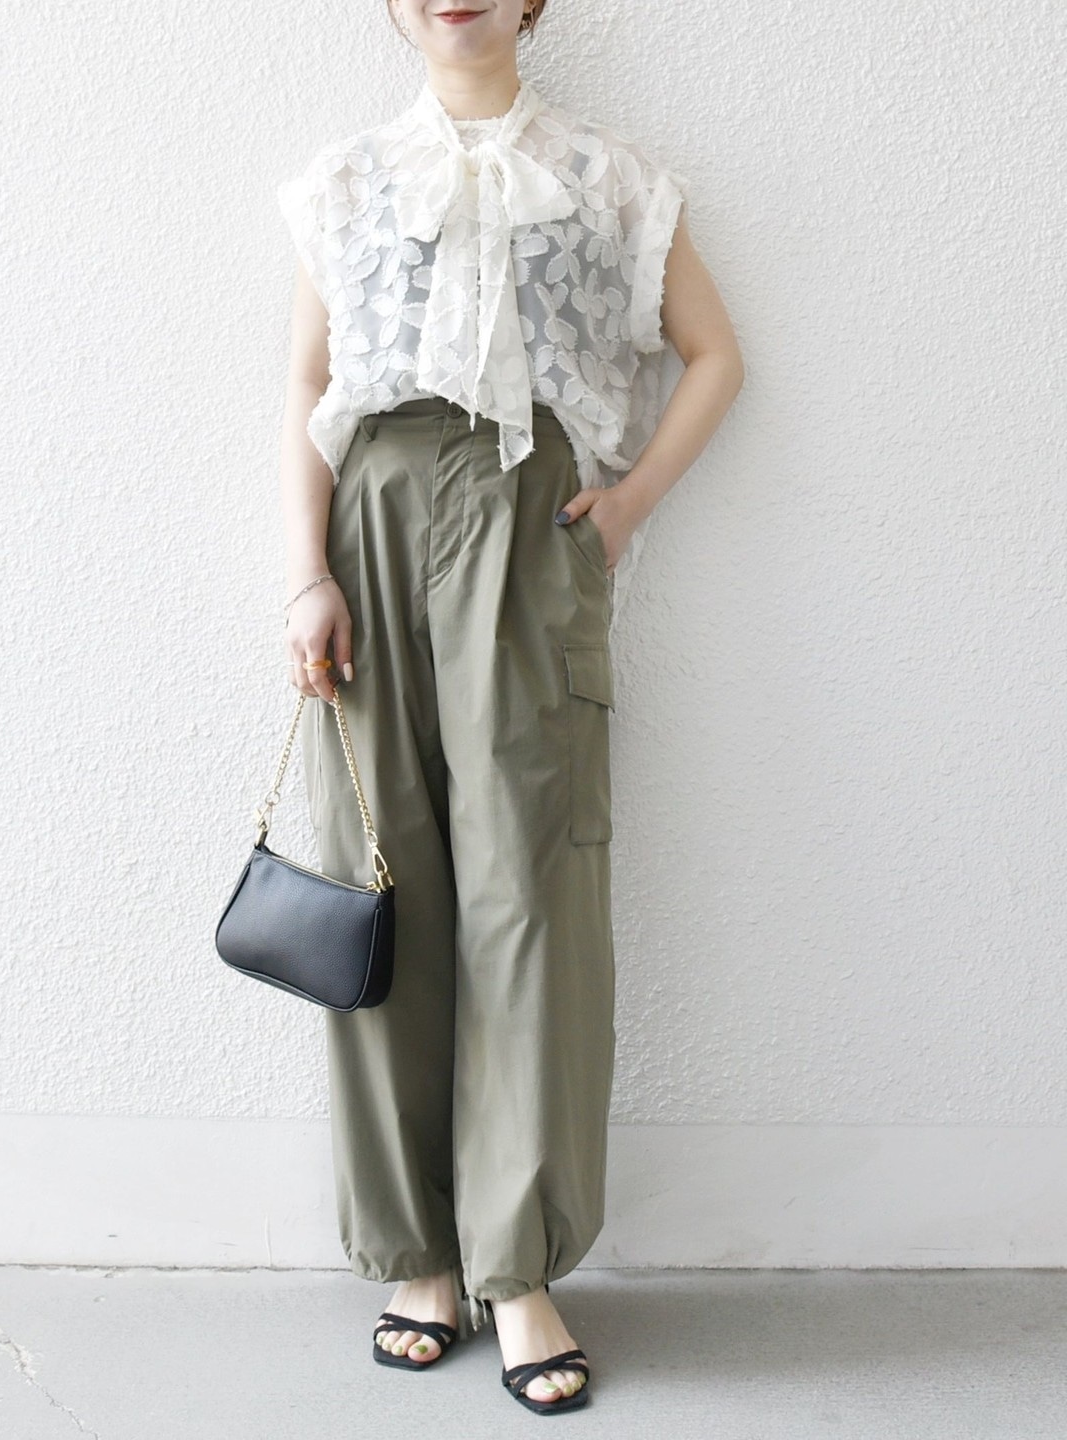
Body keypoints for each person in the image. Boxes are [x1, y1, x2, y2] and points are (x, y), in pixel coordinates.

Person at [275, 0, 743, 1414]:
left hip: (532, 517)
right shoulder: (346, 179)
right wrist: (306, 576)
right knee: (383, 882)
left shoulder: (609, 177)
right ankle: (421, 1254)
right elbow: (308, 383)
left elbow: (716, 354)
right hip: (371, 522)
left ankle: (519, 1266)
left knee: (531, 888)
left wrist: (627, 507)